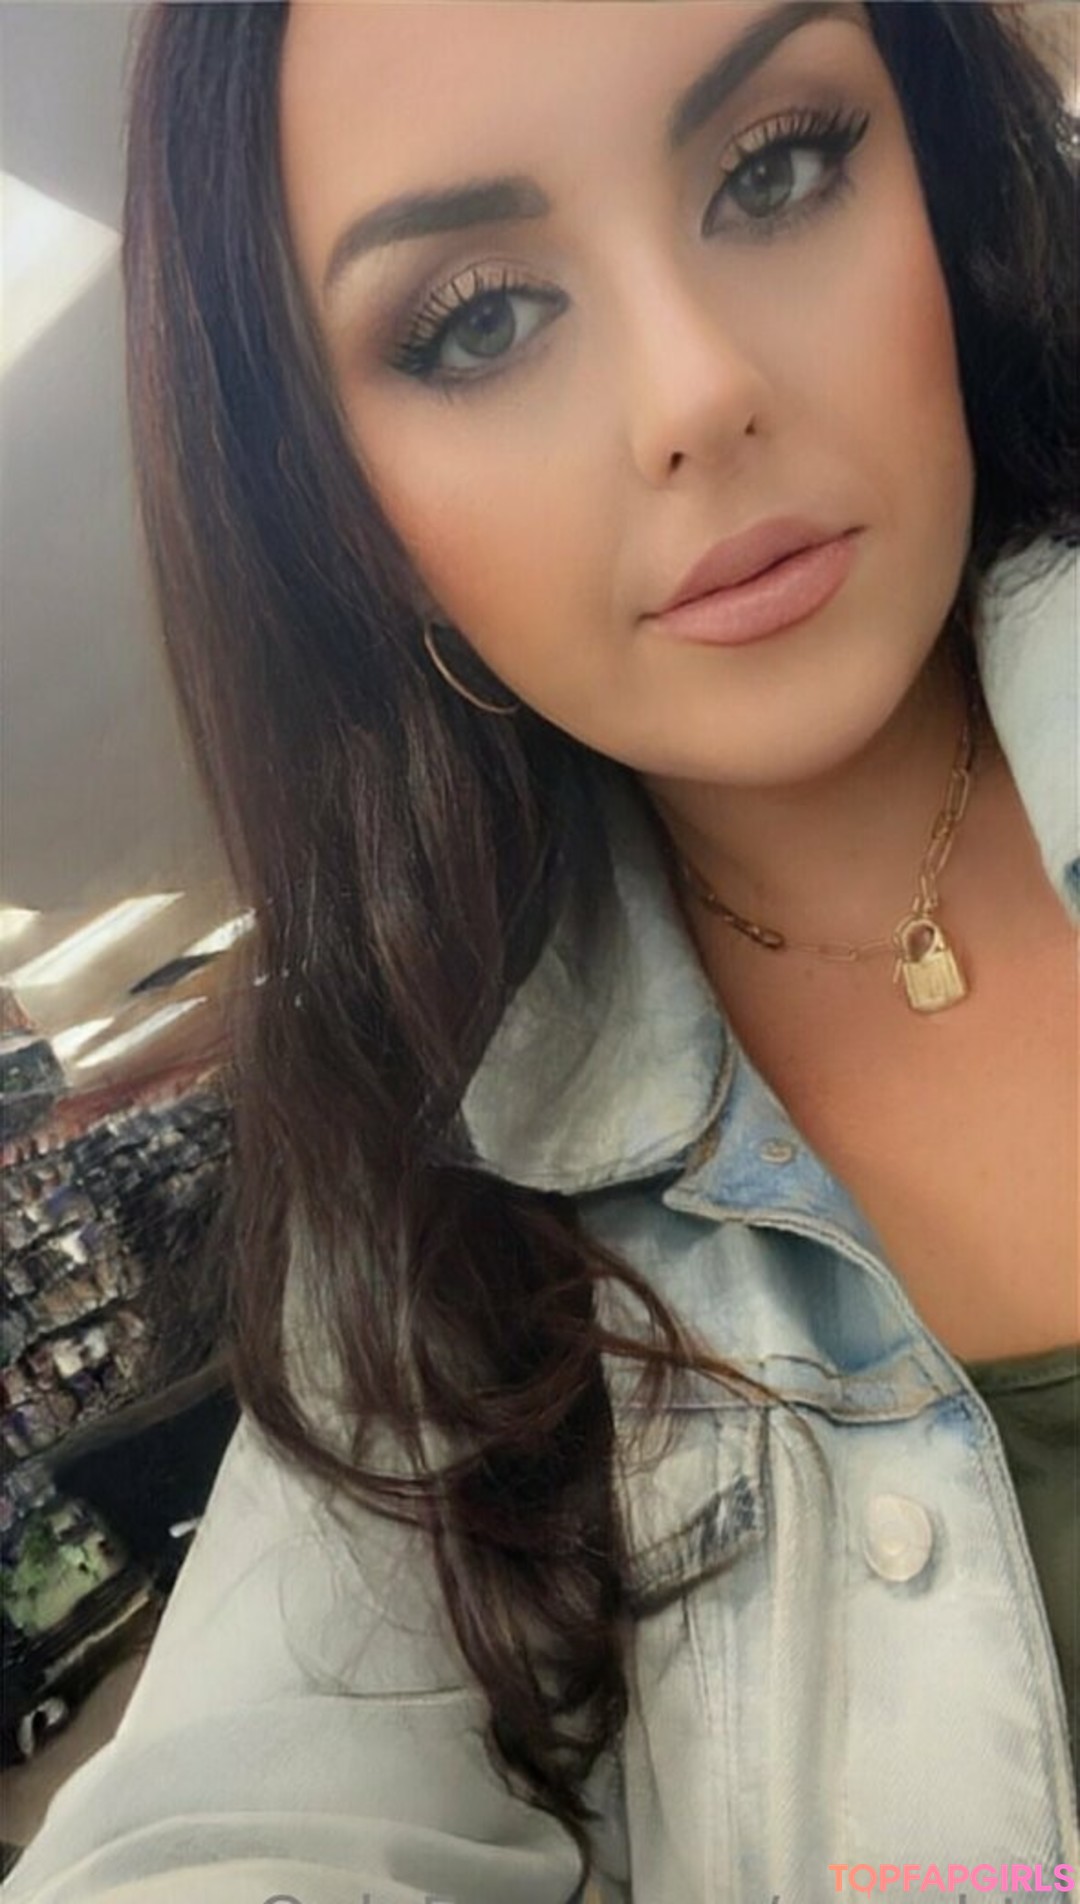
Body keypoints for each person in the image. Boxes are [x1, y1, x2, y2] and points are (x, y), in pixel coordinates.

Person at [5, 3, 1077, 1899]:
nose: (696, 390)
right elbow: (230, 1825)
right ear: (353, 521)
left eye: (779, 166)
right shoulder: (412, 1243)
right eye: (478, 320)